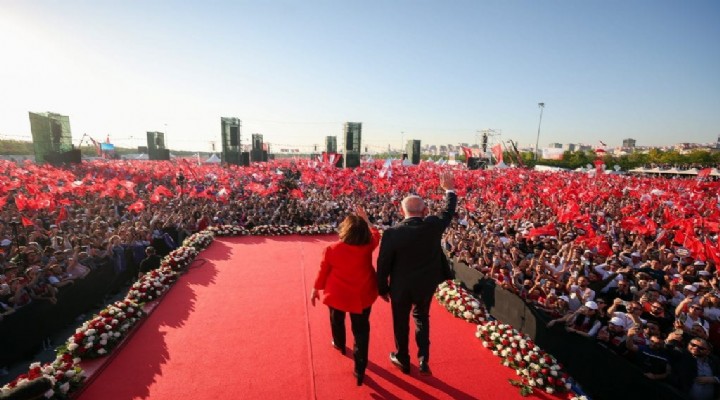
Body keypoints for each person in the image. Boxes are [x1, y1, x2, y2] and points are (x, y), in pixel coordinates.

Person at [377, 172, 456, 376]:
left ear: (402, 211)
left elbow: (383, 264)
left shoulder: (392, 233)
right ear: (425, 210)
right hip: (426, 285)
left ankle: (403, 358)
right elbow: (448, 211)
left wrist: (382, 289)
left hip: (400, 287)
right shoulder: (433, 226)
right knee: (422, 317)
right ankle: (423, 359)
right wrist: (449, 190)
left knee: (400, 322)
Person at [310, 206, 380, 386]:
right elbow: (376, 233)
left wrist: (315, 289)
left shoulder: (331, 249)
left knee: (336, 320)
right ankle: (360, 368)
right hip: (362, 295)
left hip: (338, 295)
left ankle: (339, 344)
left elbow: (323, 271)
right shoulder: (368, 246)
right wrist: (365, 219)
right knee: (361, 331)